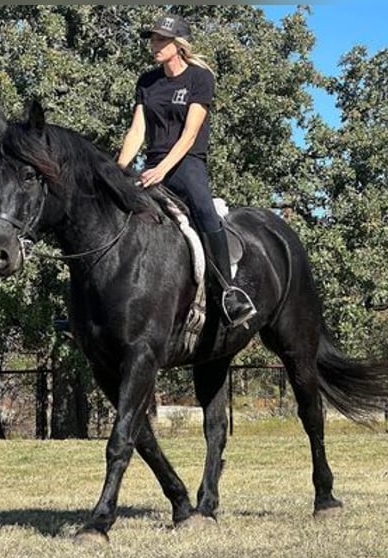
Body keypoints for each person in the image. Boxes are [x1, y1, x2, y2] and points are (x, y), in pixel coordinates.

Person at [117, 13, 257, 328]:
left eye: (161, 40)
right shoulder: (147, 81)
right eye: (152, 39)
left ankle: (227, 294)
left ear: (178, 44)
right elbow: (137, 131)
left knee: (205, 212)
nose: (154, 45)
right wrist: (118, 171)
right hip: (153, 165)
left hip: (186, 163)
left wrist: (163, 169)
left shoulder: (199, 77)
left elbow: (190, 134)